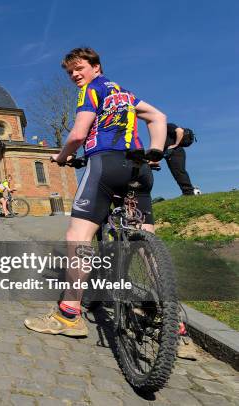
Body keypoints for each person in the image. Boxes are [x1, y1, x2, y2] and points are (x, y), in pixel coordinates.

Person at [24, 47, 167, 337]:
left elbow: (78, 134)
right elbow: (158, 117)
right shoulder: (125, 95)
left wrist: (62, 156)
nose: (75, 74)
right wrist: (155, 152)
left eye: (80, 68)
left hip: (106, 164)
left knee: (78, 238)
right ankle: (174, 324)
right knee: (147, 242)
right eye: (70, 72)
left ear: (96, 67)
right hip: (139, 168)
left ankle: (68, 316)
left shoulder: (91, 90)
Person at [164, 123, 200, 195]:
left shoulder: (167, 126)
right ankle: (186, 192)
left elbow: (179, 131)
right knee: (176, 173)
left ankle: (188, 192)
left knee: (179, 172)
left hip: (175, 152)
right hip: (170, 153)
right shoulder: (161, 130)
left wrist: (176, 144)